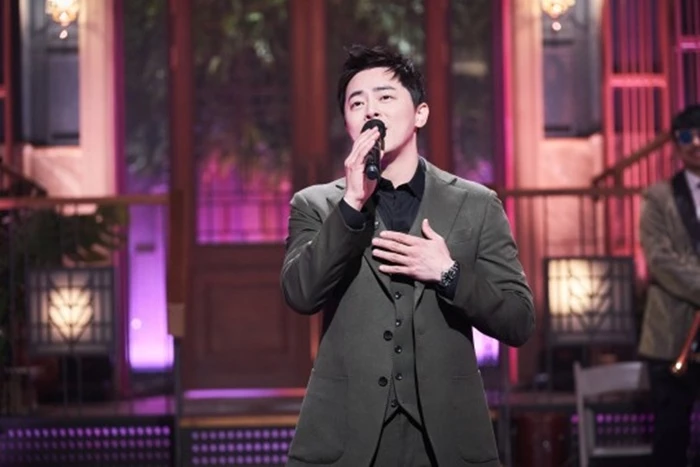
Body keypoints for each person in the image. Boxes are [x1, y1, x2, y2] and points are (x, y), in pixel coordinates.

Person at [280, 44, 535, 467]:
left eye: (385, 96)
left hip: (446, 441)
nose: (371, 110)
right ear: (347, 123)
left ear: (420, 114)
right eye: (356, 103)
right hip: (347, 439)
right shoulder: (317, 205)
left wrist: (449, 273)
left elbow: (518, 320)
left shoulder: (475, 205)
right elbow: (301, 294)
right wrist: (351, 206)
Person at [639, 104, 700, 467]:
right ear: (676, 145)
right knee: (670, 440)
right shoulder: (657, 196)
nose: (696, 143)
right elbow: (660, 261)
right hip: (670, 337)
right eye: (686, 136)